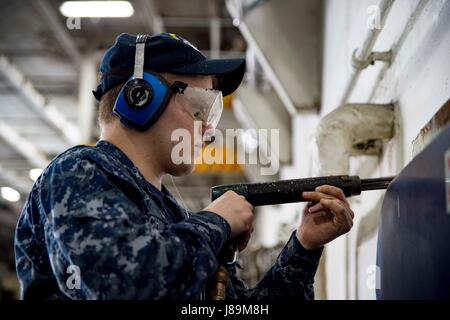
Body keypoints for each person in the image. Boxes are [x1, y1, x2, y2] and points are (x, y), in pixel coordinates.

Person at [14, 33, 354, 300]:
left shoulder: (174, 217)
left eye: (212, 112)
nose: (208, 129)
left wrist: (304, 246)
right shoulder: (76, 174)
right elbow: (124, 288)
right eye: (198, 107)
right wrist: (215, 222)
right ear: (140, 97)